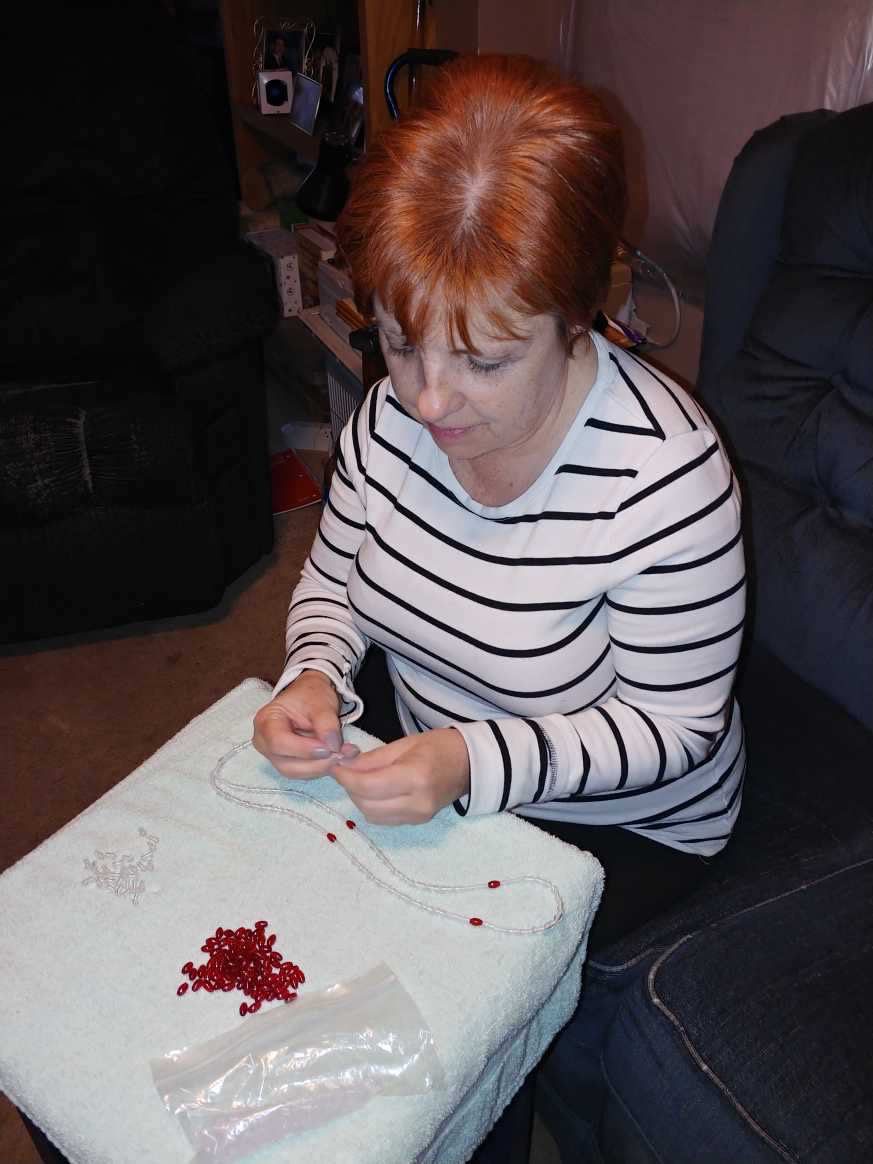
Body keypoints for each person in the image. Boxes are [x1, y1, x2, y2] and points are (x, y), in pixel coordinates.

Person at [253, 54, 746, 1162]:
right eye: (400, 339)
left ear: (577, 314)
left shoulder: (667, 480)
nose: (427, 398)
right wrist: (315, 672)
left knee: (441, 1016)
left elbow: (676, 730)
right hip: (445, 737)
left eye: (484, 359)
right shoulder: (391, 420)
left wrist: (470, 763)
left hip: (626, 814)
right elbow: (334, 580)